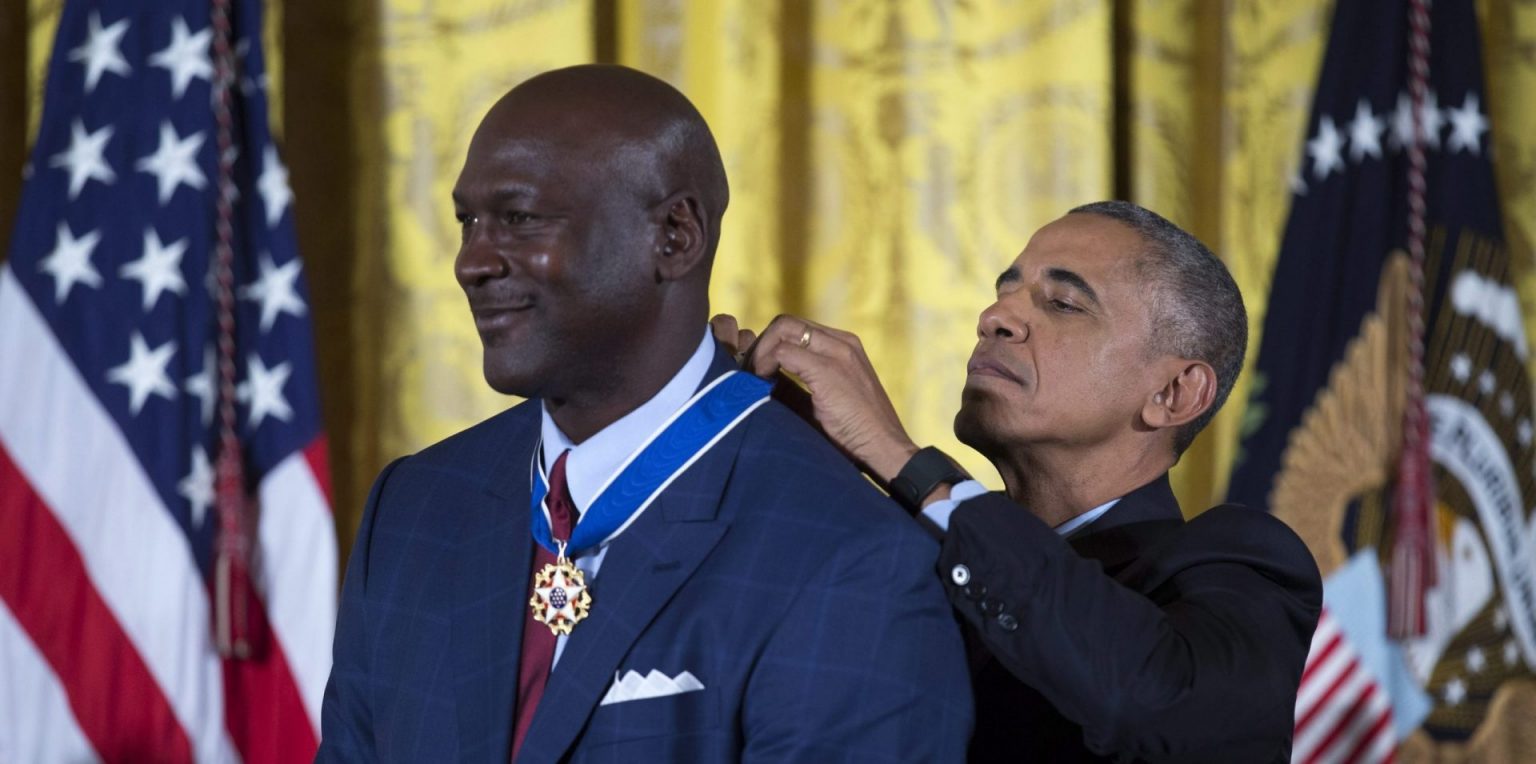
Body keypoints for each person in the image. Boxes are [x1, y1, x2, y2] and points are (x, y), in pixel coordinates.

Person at [317, 65, 972, 762]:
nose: (471, 262)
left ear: (675, 236)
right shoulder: (414, 509)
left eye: (520, 219)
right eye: (467, 223)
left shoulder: (851, 559)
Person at [716, 201, 1322, 763]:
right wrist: (797, 458)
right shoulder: (915, 557)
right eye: (1003, 292)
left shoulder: (1243, 561)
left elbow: (1163, 705)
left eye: (1062, 303)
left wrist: (901, 459)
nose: (995, 318)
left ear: (1174, 393)